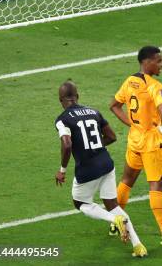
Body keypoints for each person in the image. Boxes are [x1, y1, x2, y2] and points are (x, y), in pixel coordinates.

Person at [54, 80, 147, 258]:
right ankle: (138, 246)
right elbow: (111, 137)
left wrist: (62, 170)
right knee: (112, 204)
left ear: (61, 100)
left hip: (87, 169)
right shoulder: (93, 112)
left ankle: (114, 220)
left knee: (80, 203)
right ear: (77, 97)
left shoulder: (62, 119)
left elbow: (66, 145)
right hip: (106, 164)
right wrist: (96, 146)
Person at [109, 46, 162, 245]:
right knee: (157, 186)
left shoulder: (130, 81)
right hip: (152, 143)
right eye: (158, 61)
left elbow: (114, 105)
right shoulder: (155, 85)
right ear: (147, 62)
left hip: (134, 139)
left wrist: (131, 123)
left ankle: (114, 221)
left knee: (127, 180)